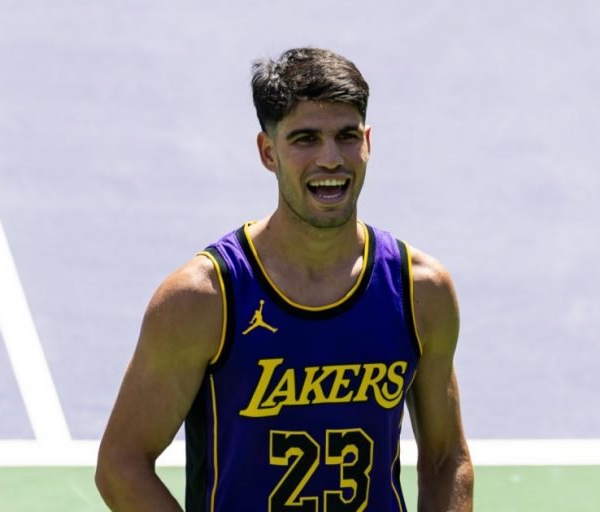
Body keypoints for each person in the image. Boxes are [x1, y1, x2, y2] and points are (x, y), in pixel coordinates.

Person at [95, 47, 474, 511]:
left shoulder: (420, 291)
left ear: (368, 142)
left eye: (346, 136)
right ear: (268, 152)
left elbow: (446, 459)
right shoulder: (204, 299)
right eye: (305, 139)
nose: (330, 158)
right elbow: (121, 464)